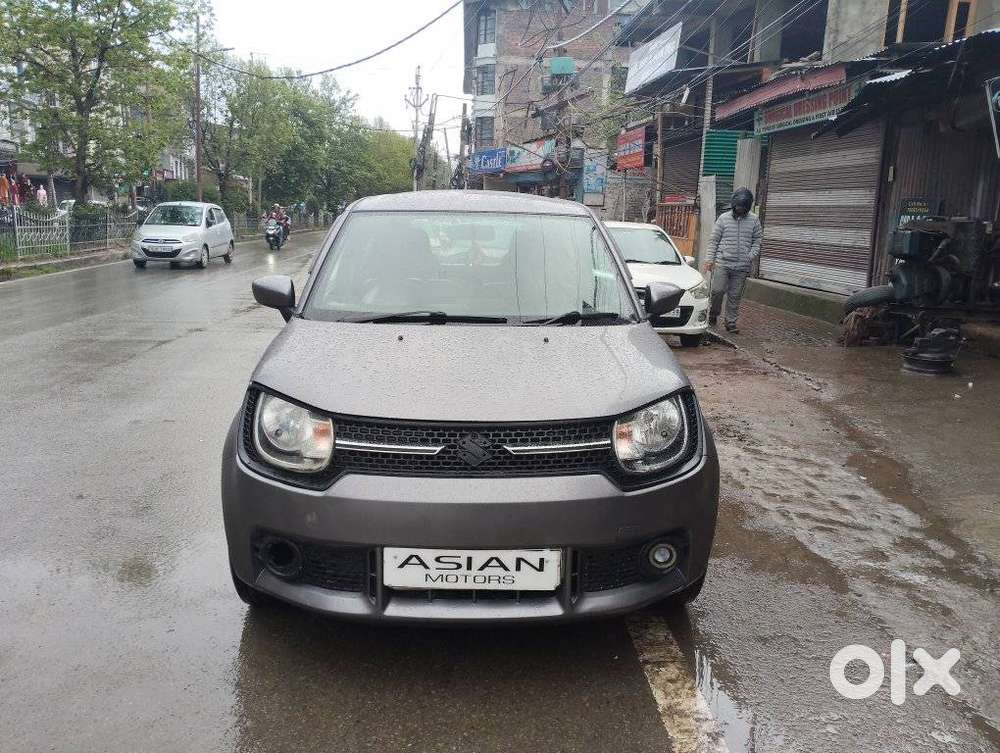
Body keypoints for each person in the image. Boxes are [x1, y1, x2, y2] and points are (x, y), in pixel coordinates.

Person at [705, 187, 762, 334]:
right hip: (723, 263)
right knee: (717, 291)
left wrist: (750, 255)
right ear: (733, 204)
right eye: (738, 206)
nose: (740, 209)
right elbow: (714, 241)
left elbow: (758, 241)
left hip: (742, 266)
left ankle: (730, 323)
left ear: (748, 206)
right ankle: (713, 313)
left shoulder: (754, 220)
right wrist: (709, 260)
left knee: (735, 295)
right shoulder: (723, 219)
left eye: (743, 207)